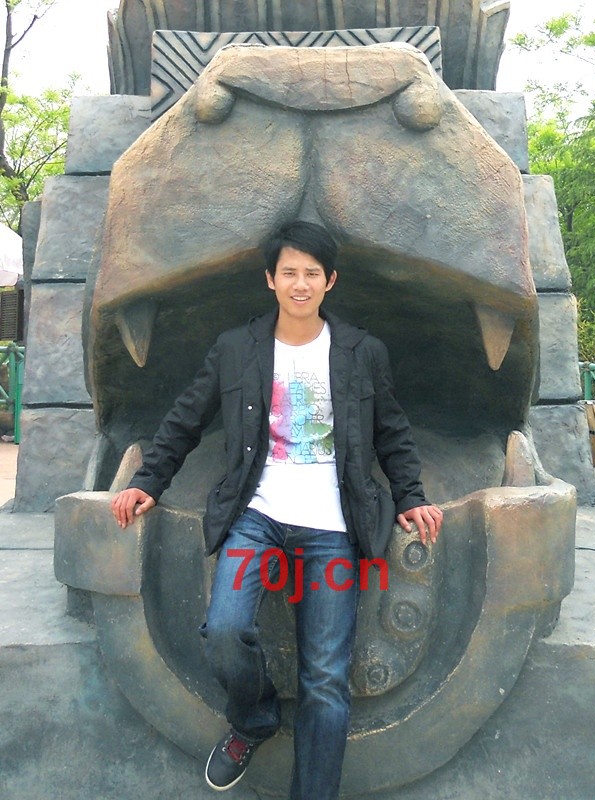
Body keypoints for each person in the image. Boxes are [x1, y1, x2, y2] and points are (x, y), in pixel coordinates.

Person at [111, 221, 443, 799]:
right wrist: (149, 482)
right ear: (270, 279)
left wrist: (411, 496)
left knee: (325, 680)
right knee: (225, 630)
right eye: (289, 272)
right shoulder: (236, 348)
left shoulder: (362, 352)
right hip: (256, 515)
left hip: (334, 526)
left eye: (312, 273)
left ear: (330, 281)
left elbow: (391, 431)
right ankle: (254, 717)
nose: (300, 283)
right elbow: (186, 417)